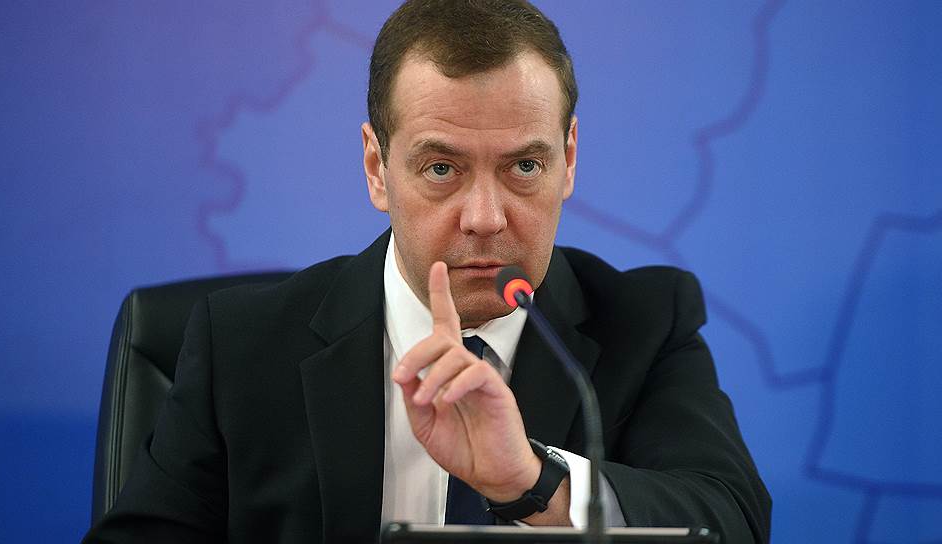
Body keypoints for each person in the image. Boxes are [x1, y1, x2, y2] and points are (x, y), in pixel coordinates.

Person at [84, 1, 771, 542]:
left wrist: (534, 484)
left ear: (569, 160)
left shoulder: (644, 324)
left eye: (524, 166)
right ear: (377, 168)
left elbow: (731, 521)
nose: (485, 218)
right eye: (442, 168)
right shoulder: (241, 345)